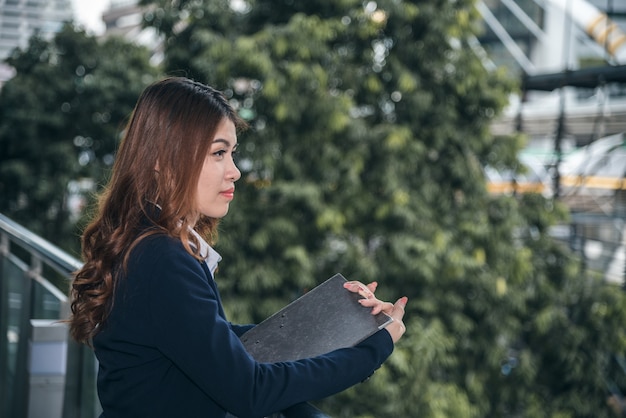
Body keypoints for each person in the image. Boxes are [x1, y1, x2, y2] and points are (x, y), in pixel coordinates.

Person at [68, 76, 408, 418]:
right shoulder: (162, 258)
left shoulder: (151, 243)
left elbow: (209, 342)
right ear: (162, 159)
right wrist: (375, 348)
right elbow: (251, 391)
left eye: (232, 153)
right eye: (218, 153)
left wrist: (342, 321)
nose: (235, 172)